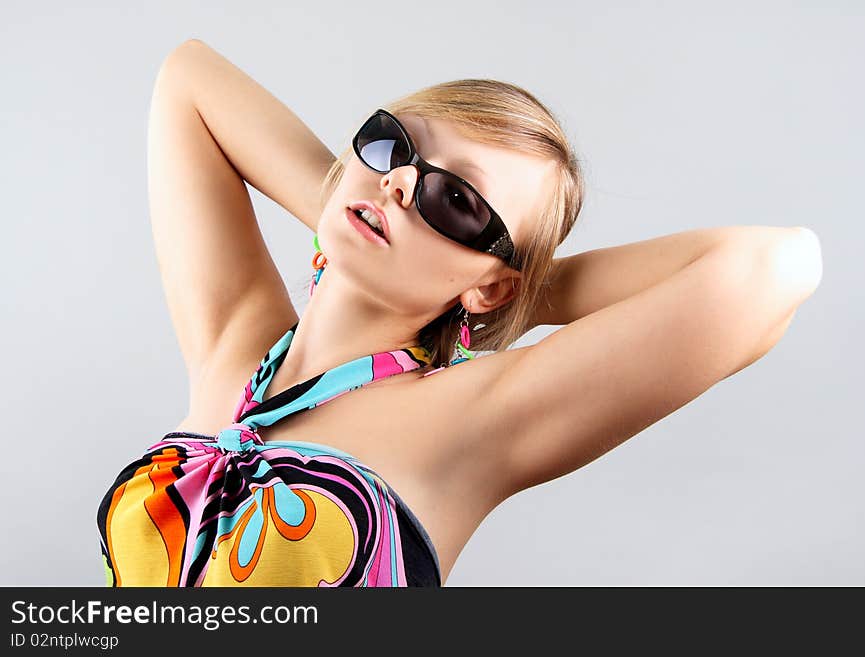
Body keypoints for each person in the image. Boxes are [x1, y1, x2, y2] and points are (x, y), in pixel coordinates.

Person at [96, 40, 822, 587]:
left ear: (494, 286)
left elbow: (778, 267)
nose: (402, 182)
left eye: (459, 202)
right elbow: (188, 78)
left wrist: (524, 293)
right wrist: (350, 206)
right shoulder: (237, 348)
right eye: (392, 143)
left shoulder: (466, 418)